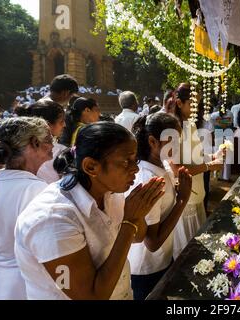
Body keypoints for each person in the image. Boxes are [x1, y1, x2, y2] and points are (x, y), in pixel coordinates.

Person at [15, 122, 166, 300]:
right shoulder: (52, 219)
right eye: (126, 161)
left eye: (136, 160)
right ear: (91, 167)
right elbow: (92, 297)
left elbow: (138, 237)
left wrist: (139, 212)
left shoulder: (110, 193)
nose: (135, 169)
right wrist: (130, 220)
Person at [127, 113, 192, 300]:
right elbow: (152, 242)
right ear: (153, 142)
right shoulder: (149, 179)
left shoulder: (160, 167)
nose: (177, 147)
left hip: (161, 260)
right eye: (172, 141)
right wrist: (182, 200)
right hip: (146, 267)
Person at [0, 117, 54, 300]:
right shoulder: (39, 191)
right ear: (35, 142)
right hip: (27, 288)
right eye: (50, 139)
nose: (53, 145)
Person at [172, 83, 224, 259]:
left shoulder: (190, 125)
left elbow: (196, 156)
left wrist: (213, 156)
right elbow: (176, 169)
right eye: (193, 104)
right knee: (189, 254)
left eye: (199, 105)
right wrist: (209, 166)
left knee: (199, 246)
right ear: (179, 103)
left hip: (197, 192)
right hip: (186, 198)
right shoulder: (174, 128)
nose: (197, 109)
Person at [16, 101, 67, 184]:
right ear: (47, 125)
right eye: (61, 121)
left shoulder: (16, 150)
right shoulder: (61, 151)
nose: (64, 125)